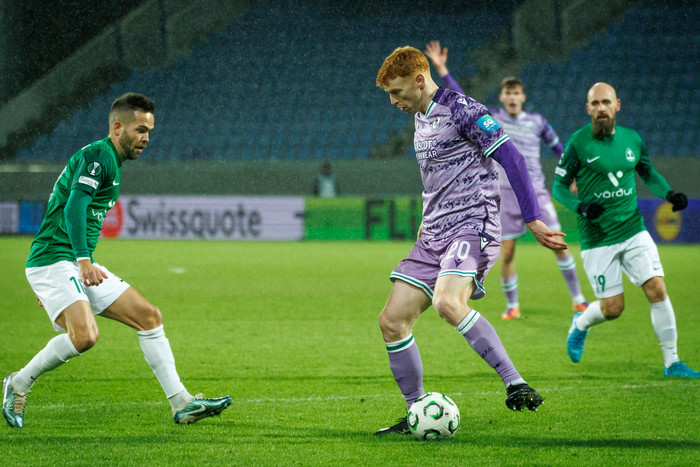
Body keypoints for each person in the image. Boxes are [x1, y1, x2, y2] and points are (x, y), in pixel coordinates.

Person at [2, 93, 233, 429]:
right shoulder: (99, 158)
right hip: (56, 258)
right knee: (85, 336)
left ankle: (182, 403)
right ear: (117, 128)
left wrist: (74, 272)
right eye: (140, 130)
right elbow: (74, 207)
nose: (146, 138)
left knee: (149, 317)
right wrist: (81, 262)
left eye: (149, 131)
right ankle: (18, 383)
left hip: (69, 263)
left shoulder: (110, 160)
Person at [373, 46, 568, 436]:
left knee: (448, 302)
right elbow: (436, 179)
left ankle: (515, 382)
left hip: (472, 225)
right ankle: (416, 412)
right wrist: (426, 222)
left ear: (419, 80)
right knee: (392, 322)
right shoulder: (421, 119)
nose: (393, 101)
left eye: (396, 92)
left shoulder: (463, 110)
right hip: (434, 233)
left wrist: (532, 219)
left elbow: (513, 159)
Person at [424, 40, 589, 320]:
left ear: (522, 97)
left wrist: (571, 175)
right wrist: (443, 70)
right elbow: (462, 100)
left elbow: (558, 148)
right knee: (508, 252)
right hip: (503, 193)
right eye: (508, 94)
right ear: (502, 97)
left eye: (516, 94)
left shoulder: (537, 122)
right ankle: (513, 306)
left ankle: (578, 299)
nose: (512, 98)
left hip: (535, 190)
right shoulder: (493, 118)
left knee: (558, 244)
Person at [552, 82, 698, 378]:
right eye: (595, 103)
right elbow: (559, 186)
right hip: (598, 238)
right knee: (613, 309)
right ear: (588, 108)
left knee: (657, 289)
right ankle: (581, 322)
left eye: (606, 102)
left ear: (617, 105)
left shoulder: (632, 139)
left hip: (633, 230)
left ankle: (672, 362)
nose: (601, 108)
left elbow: (648, 172)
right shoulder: (578, 143)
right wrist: (581, 207)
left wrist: (669, 194)